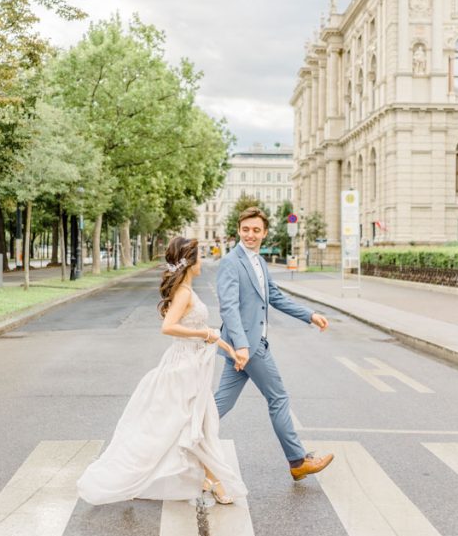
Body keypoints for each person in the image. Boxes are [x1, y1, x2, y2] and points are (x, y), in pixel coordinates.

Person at [78, 237, 247, 506]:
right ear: (190, 261)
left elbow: (209, 334)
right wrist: (202, 333)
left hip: (192, 364)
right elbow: (168, 327)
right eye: (199, 256)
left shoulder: (188, 290)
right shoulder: (183, 293)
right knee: (190, 424)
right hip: (183, 367)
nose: (202, 261)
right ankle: (211, 481)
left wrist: (230, 350)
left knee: (198, 423)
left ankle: (210, 479)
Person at [215, 207, 334, 481]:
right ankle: (298, 461)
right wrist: (243, 346)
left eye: (256, 230)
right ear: (238, 230)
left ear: (265, 233)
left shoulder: (259, 262)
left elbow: (276, 298)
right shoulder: (231, 262)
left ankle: (181, 439)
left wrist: (310, 315)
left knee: (220, 404)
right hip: (250, 346)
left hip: (245, 346)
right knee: (278, 398)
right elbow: (229, 307)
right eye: (245, 229)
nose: (250, 235)